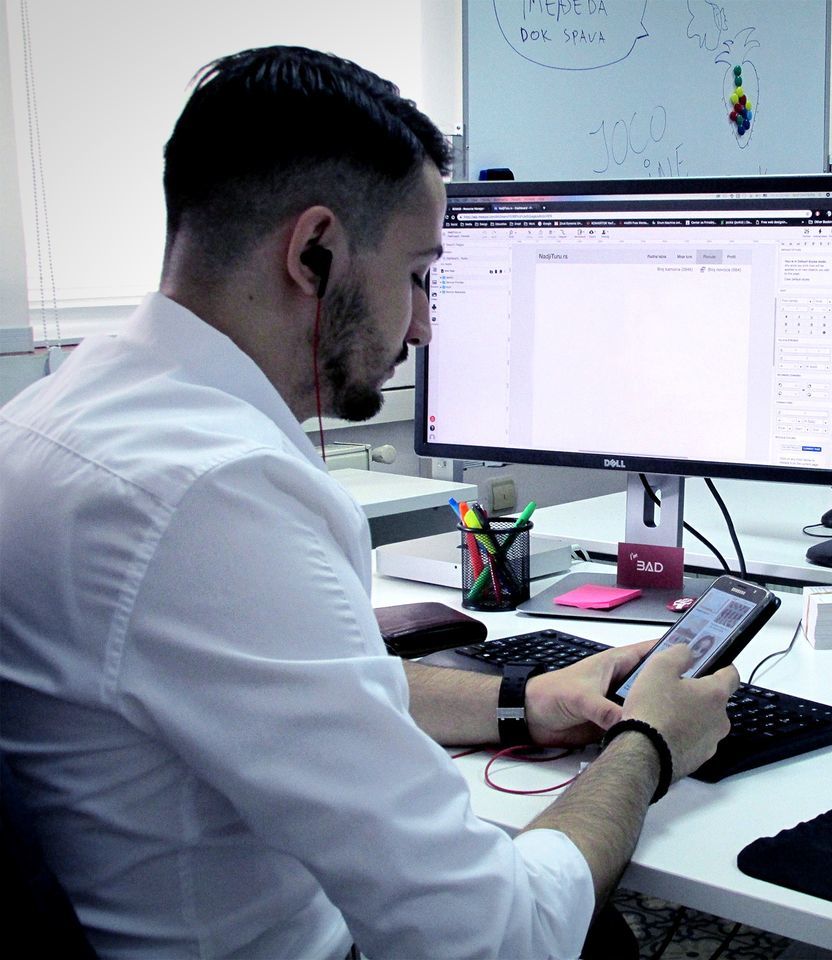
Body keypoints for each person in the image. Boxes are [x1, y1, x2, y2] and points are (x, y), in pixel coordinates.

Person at [0, 46, 738, 959]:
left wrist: (521, 700)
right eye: (422, 273)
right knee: (593, 930)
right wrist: (652, 743)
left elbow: (294, 687)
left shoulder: (57, 416)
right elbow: (494, 936)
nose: (426, 325)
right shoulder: (210, 497)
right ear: (314, 252)